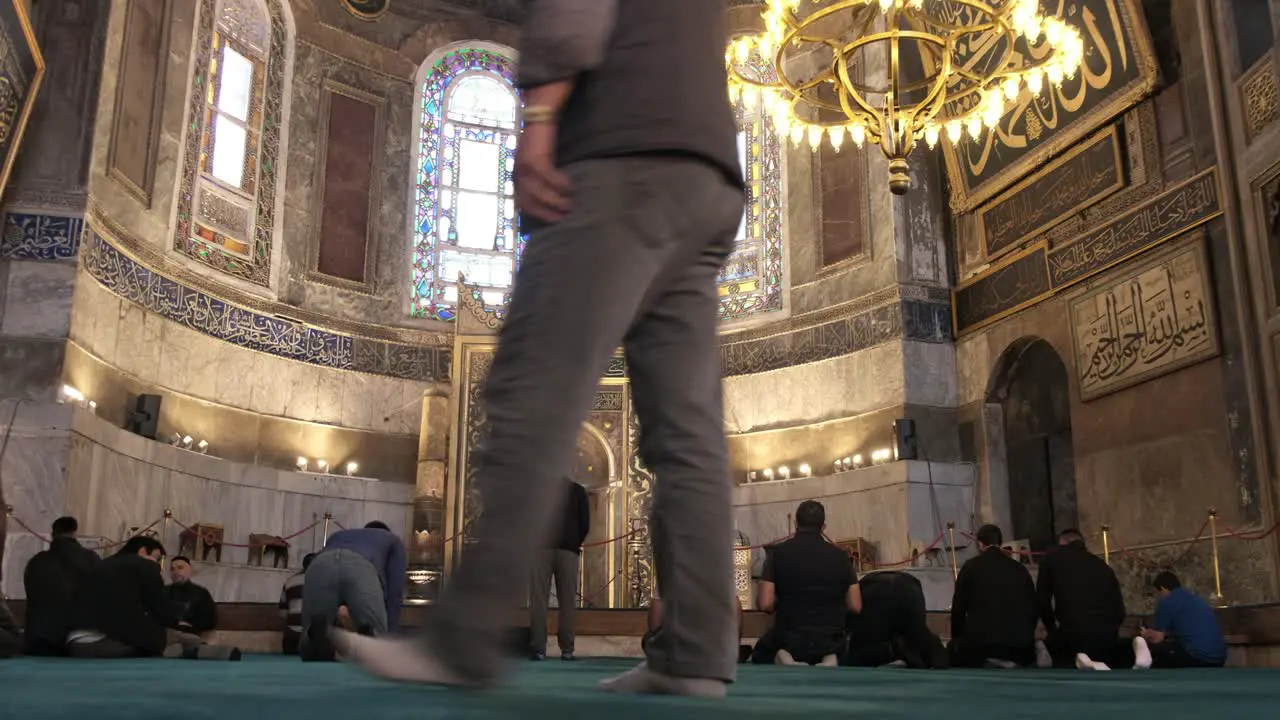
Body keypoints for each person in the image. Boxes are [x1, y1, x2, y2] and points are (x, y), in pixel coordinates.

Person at [334, 0, 745, 700]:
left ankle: (460, 643)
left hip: (619, 154)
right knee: (689, 438)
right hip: (708, 175)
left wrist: (542, 121)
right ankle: (696, 656)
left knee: (531, 397)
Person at [65, 536, 239, 660]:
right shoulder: (144, 566)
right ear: (142, 551)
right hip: (105, 643)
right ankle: (192, 652)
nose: (157, 565)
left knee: (163, 638)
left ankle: (181, 651)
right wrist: (175, 623)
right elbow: (162, 612)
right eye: (156, 558)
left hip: (75, 644)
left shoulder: (101, 565)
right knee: (184, 639)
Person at [753, 501, 861, 667]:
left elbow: (765, 603)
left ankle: (784, 656)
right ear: (823, 527)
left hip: (790, 638)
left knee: (762, 651)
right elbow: (855, 605)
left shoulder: (778, 554)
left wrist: (780, 602)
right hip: (829, 640)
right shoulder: (841, 556)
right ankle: (830, 657)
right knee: (841, 649)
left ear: (796, 524)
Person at [300, 522, 406, 661]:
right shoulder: (393, 540)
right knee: (377, 640)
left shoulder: (338, 535)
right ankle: (369, 641)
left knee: (311, 632)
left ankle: (316, 638)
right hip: (361, 566)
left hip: (319, 564)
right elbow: (394, 593)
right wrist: (389, 640)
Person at [1037, 528, 1129, 670]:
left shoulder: (1052, 558)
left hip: (1074, 636)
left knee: (1055, 653)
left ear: (1063, 542)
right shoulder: (1103, 566)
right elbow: (1120, 611)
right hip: (1107, 639)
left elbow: (1043, 601)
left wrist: (1052, 632)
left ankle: (1082, 660)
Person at [949, 524, 1039, 668]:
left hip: (982, 647)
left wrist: (957, 640)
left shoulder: (971, 567)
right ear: (1001, 543)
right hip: (1018, 648)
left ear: (979, 544)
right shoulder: (1019, 569)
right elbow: (1033, 608)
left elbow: (958, 609)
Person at [529, 478, 589, 661]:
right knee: (568, 602)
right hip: (568, 550)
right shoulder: (577, 490)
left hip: (541, 549)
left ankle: (539, 648)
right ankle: (567, 649)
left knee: (539, 600)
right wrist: (574, 541)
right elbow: (585, 523)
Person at [22, 515, 100, 655]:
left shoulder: (37, 561)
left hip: (38, 639)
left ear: (53, 534)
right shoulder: (90, 558)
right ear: (75, 533)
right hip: (73, 640)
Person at [845, 571, 948, 669]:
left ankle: (895, 649)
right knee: (918, 638)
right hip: (910, 589)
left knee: (857, 655)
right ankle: (934, 654)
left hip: (875, 593)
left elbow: (852, 609)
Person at [1133, 572, 1227, 669]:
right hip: (1219, 659)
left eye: (1158, 593)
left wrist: (1145, 634)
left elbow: (1157, 638)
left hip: (1197, 658)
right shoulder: (1196, 599)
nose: (1158, 597)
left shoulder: (1166, 601)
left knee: (1157, 653)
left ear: (1163, 589)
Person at [166, 556, 218, 635]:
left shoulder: (201, 593)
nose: (176, 572)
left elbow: (210, 621)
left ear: (190, 570)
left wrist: (190, 625)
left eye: (180, 568)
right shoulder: (163, 591)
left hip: (192, 635)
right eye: (172, 569)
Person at [280, 553, 317, 656]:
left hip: (292, 637)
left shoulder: (290, 581)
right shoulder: (323, 582)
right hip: (311, 638)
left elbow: (283, 613)